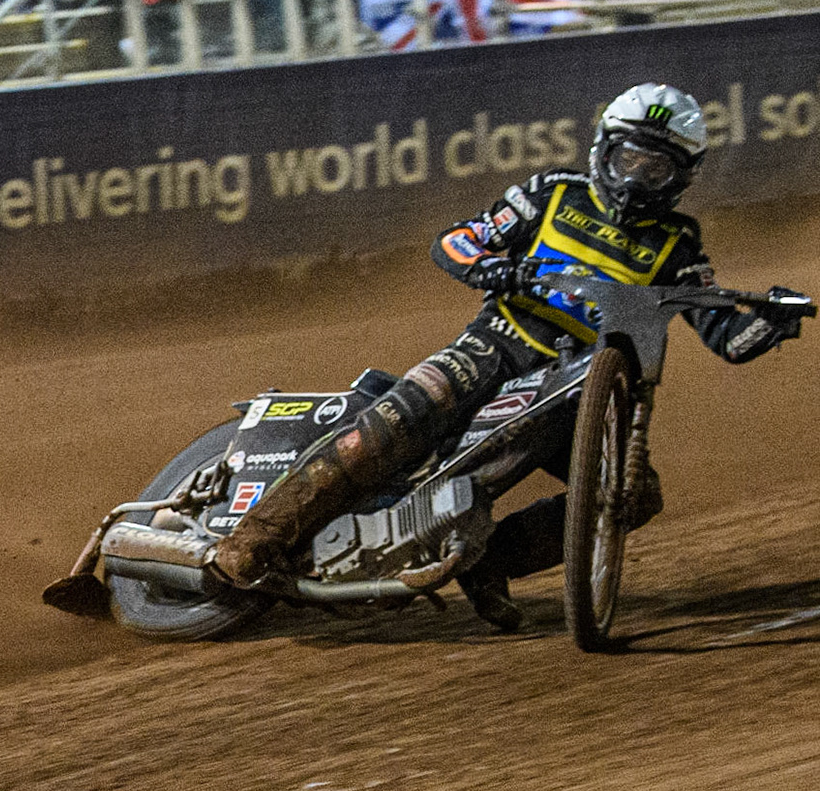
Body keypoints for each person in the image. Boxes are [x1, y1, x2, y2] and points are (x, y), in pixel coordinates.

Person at [211, 84, 810, 629]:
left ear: (681, 178)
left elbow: (725, 336)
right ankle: (254, 539)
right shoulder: (554, 192)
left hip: (579, 391)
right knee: (401, 415)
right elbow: (456, 241)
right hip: (495, 345)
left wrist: (773, 320)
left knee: (636, 496)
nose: (635, 180)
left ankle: (489, 561)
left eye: (655, 169)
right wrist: (494, 268)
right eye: (629, 160)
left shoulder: (679, 244)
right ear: (604, 149)